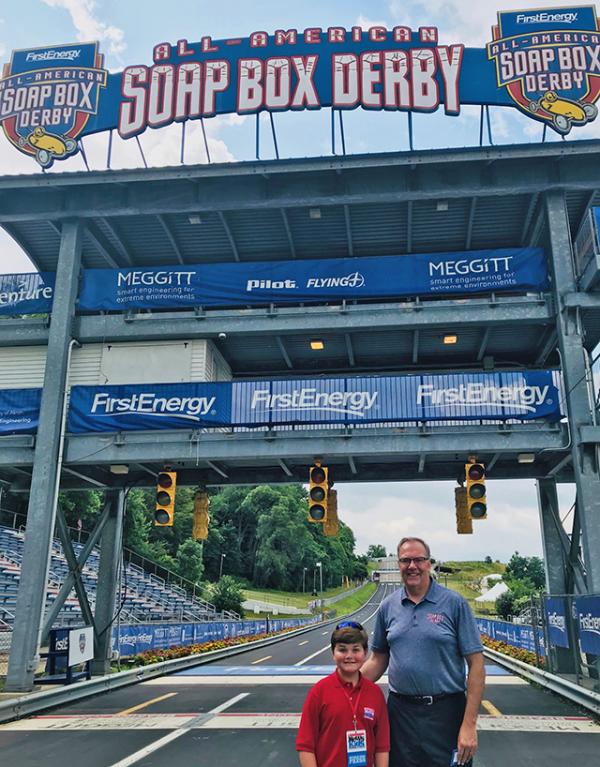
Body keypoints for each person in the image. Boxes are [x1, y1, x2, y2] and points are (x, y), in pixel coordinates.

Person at [361, 537, 485, 767]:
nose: (412, 566)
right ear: (398, 565)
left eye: (419, 560)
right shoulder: (388, 607)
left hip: (446, 712)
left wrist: (469, 725)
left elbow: (476, 664)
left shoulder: (454, 604)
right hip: (401, 714)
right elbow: (378, 659)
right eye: (406, 560)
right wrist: (342, 685)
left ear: (429, 563)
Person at [296, 620, 390, 767]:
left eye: (355, 649)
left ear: (365, 653)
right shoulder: (319, 692)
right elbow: (305, 746)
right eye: (342, 649)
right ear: (333, 653)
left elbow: (382, 746)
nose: (349, 655)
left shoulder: (375, 694)